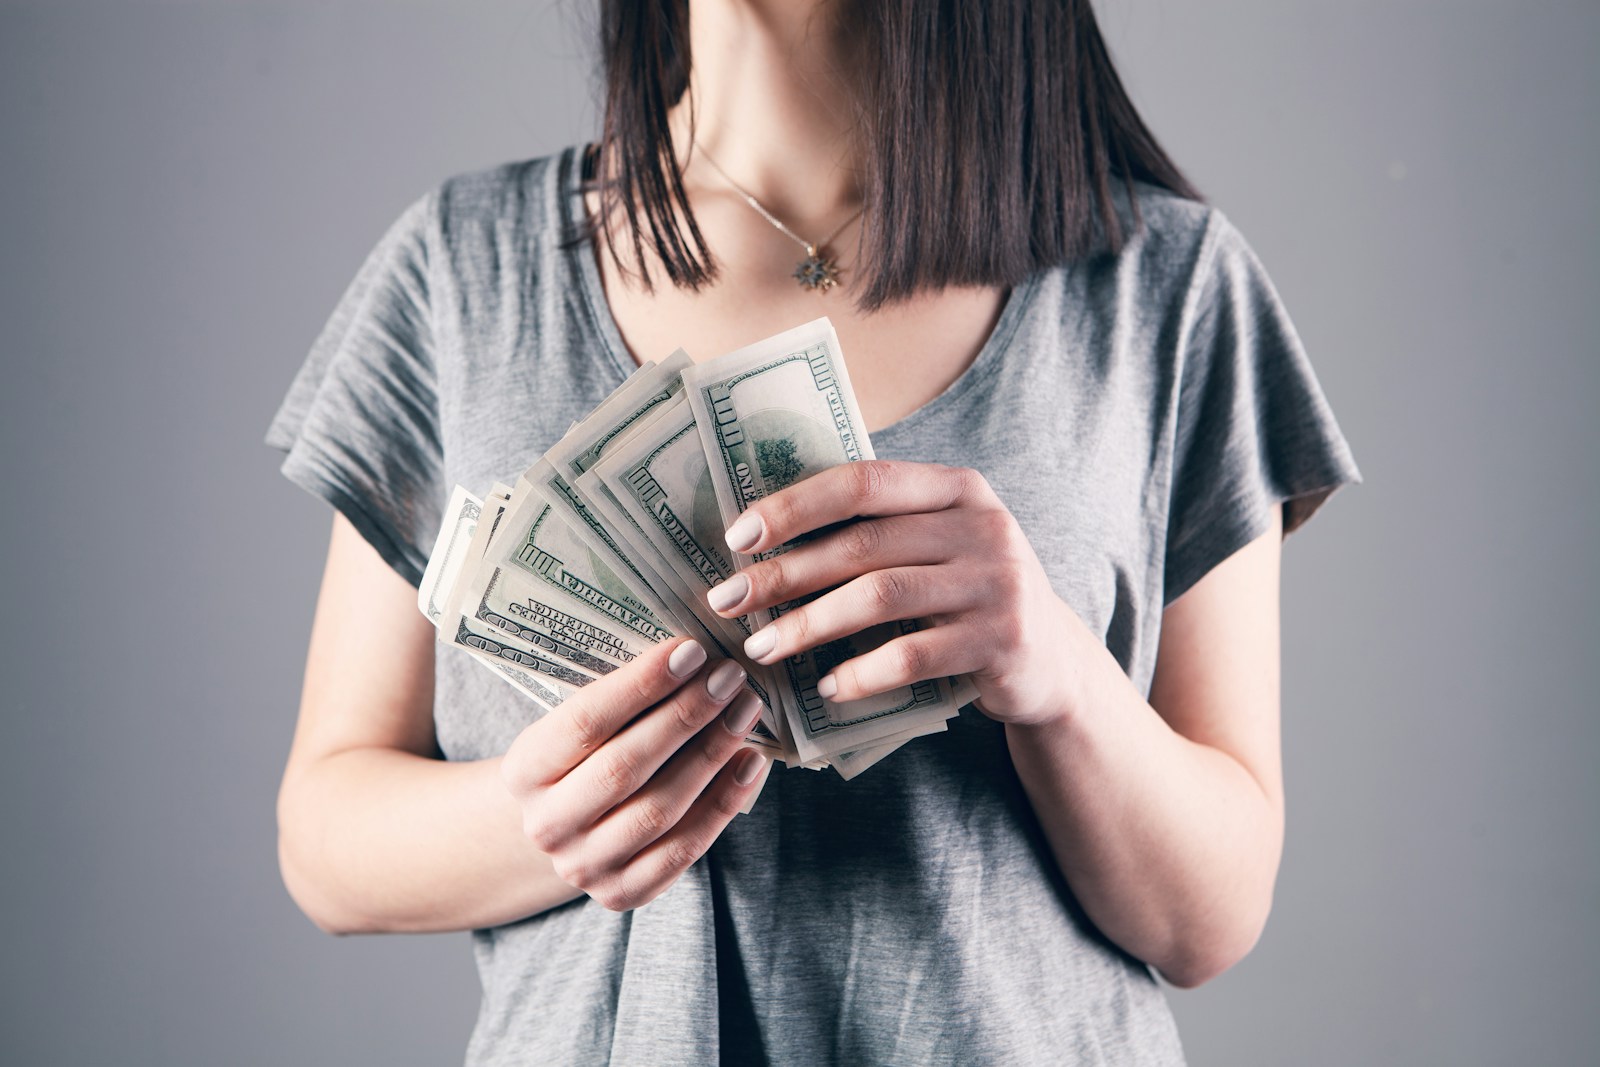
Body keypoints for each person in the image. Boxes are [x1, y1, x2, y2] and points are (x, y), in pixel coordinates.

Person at [267, 1, 1360, 1062]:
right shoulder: (461, 268)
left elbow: (1209, 917)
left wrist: (1059, 669)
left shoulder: (1165, 285)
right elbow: (325, 840)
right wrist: (545, 815)